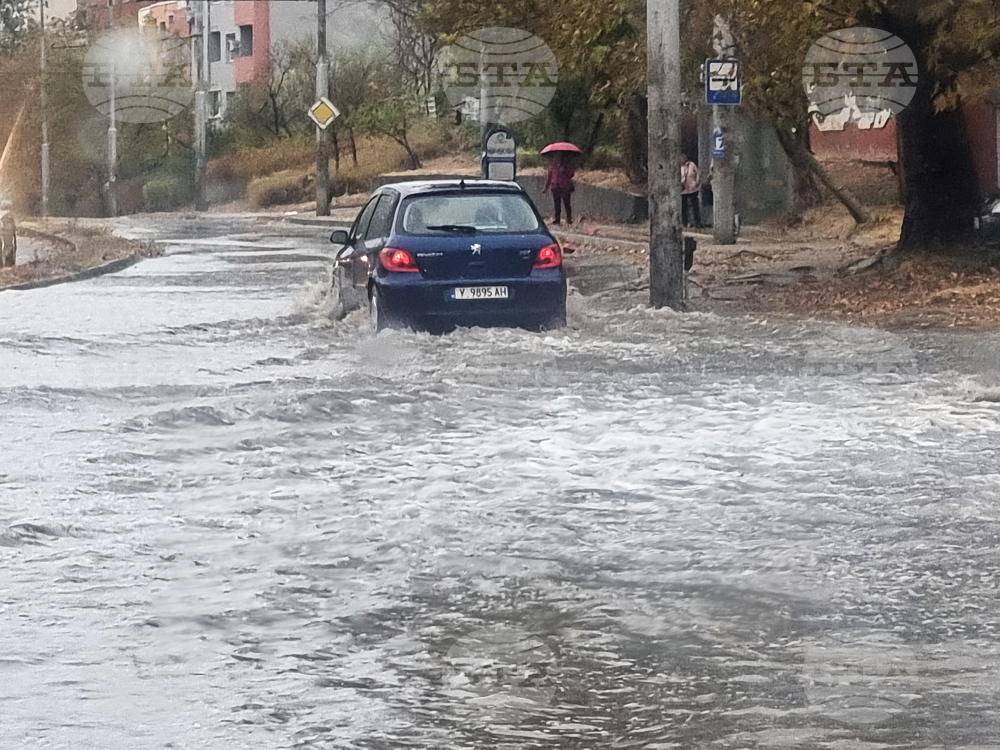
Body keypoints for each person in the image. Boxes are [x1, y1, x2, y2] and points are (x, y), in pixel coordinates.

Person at [543, 152, 575, 225]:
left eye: (559, 158)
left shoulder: (567, 167)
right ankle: (557, 220)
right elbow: (549, 178)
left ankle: (569, 219)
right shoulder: (552, 168)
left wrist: (564, 171)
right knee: (557, 204)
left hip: (565, 187)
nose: (557, 160)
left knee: (567, 203)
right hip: (555, 187)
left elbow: (571, 175)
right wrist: (546, 188)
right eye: (556, 158)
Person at [680, 154, 702, 228]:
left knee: (694, 206)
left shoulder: (691, 165)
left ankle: (697, 222)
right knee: (684, 207)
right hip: (683, 189)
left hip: (693, 188)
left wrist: (695, 184)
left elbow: (698, 174)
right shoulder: (680, 167)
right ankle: (684, 222)